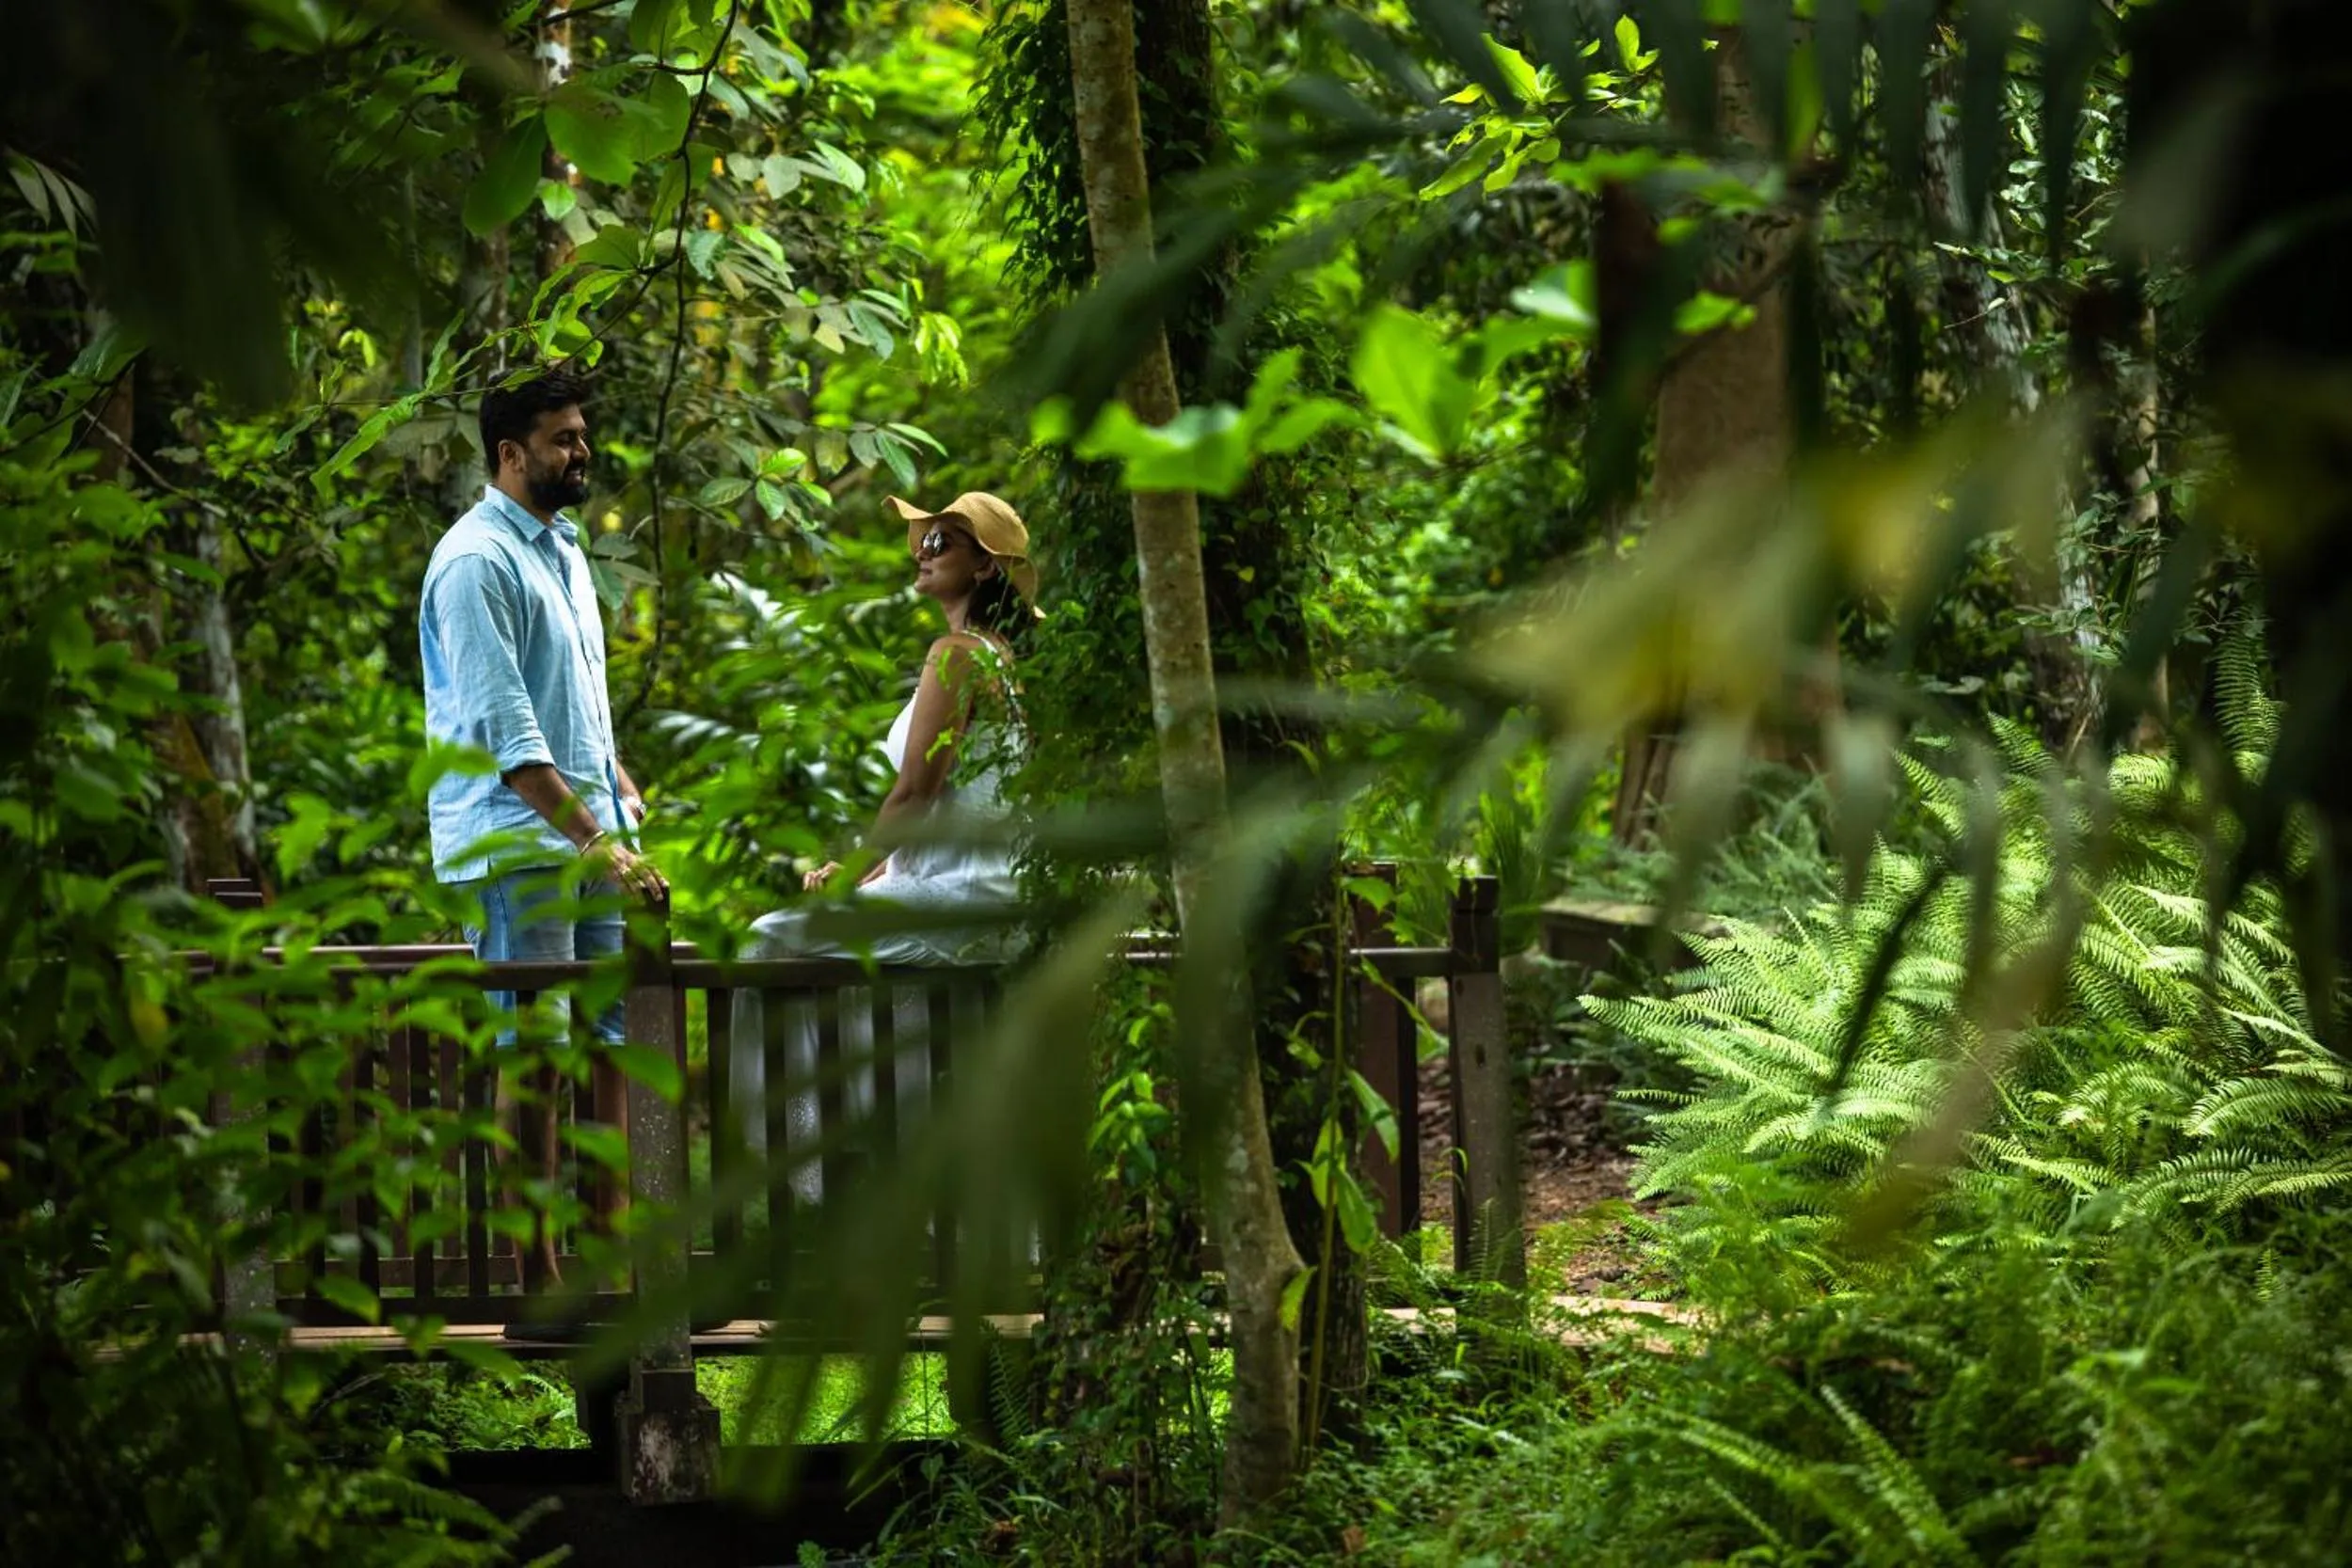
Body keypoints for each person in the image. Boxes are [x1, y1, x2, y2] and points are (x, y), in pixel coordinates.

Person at [420, 365, 666, 1307]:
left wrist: (618, 793)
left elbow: (574, 708)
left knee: (609, 1040)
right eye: (564, 438)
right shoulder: (476, 561)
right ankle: (537, 1280)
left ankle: (608, 1262)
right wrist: (595, 839)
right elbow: (511, 738)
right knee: (537, 1047)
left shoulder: (561, 549)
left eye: (581, 434)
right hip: (520, 842)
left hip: (594, 832)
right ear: (510, 453)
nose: (582, 450)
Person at [731, 491, 1036, 1203]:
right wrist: (870, 870)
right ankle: (904, 1194)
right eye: (923, 540)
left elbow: (914, 794)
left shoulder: (958, 655)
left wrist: (850, 882)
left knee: (766, 944)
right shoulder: (998, 658)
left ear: (985, 569)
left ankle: (804, 1168)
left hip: (966, 895)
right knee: (886, 999)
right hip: (975, 889)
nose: (922, 552)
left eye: (942, 542)